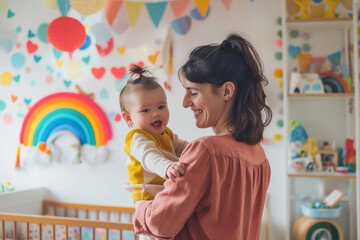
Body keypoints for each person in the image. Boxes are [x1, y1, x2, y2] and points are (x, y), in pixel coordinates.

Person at [133, 33, 272, 240]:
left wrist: (140, 206)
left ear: (226, 91)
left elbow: (160, 223)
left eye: (193, 92)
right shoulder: (259, 157)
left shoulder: (205, 151)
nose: (185, 103)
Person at [119, 66, 189, 238]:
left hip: (164, 192)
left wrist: (200, 149)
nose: (156, 114)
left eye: (161, 106)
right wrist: (167, 167)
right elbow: (149, 156)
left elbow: (182, 147)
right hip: (148, 196)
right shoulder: (136, 137)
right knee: (153, 235)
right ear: (129, 118)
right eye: (146, 110)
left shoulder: (167, 133)